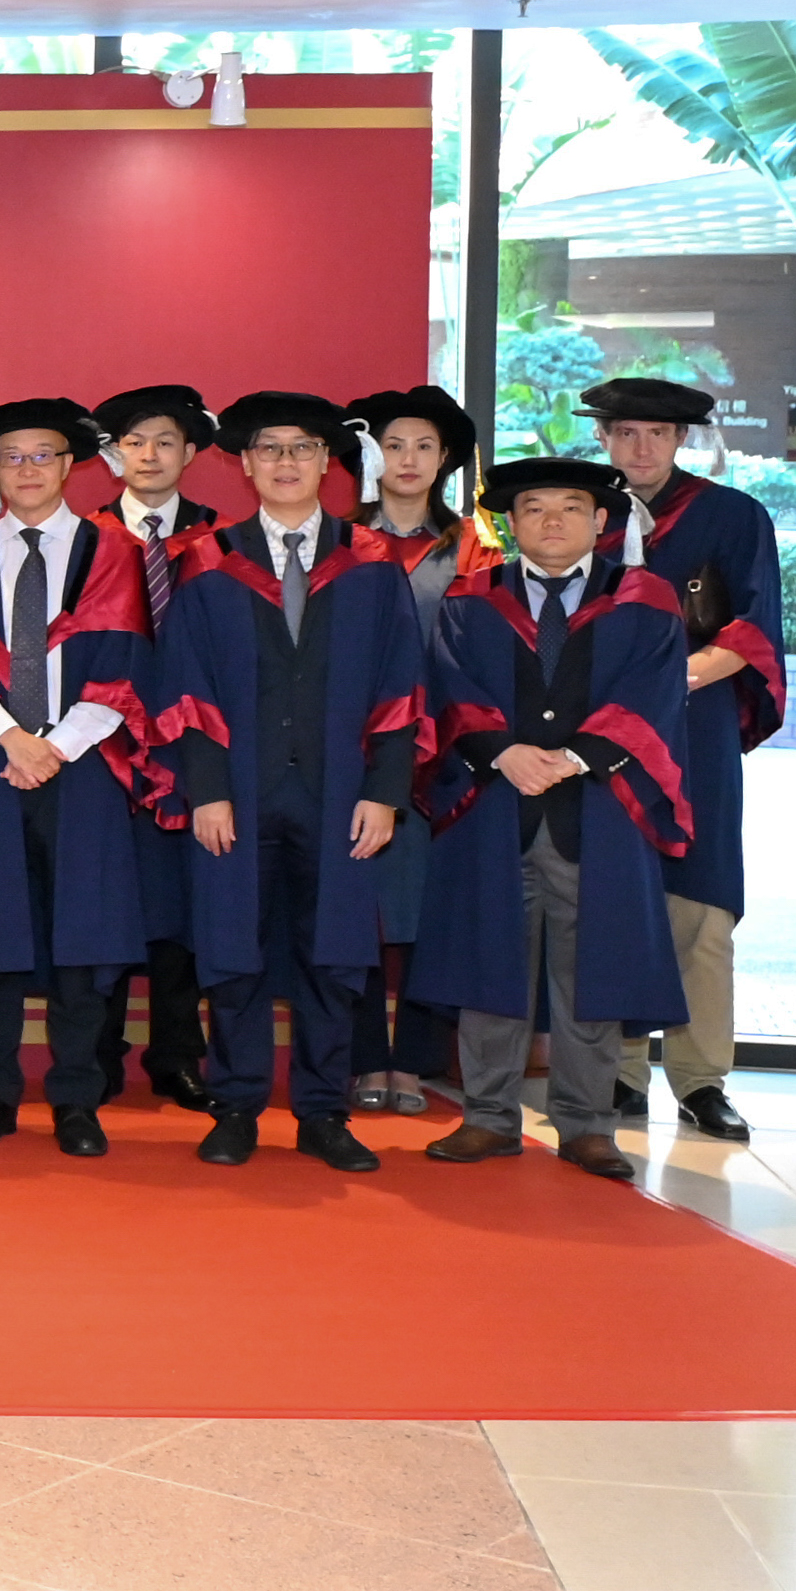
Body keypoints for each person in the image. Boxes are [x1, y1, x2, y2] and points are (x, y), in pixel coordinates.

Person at [153, 390, 422, 1174]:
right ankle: (235, 1102)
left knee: (332, 953)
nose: (283, 463)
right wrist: (204, 788)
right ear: (243, 463)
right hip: (235, 788)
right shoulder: (205, 560)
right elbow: (184, 685)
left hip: (343, 792)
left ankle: (320, 1110)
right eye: (267, 449)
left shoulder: (371, 561)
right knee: (231, 947)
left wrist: (385, 791)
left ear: (324, 464)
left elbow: (400, 685)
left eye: (300, 449)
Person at [414, 456, 693, 1184]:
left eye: (569, 508)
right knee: (489, 962)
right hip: (493, 806)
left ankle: (587, 1124)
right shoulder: (471, 597)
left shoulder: (642, 599)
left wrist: (572, 756)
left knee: (589, 971)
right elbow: (447, 685)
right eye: (533, 508)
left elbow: (652, 693)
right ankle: (486, 1117)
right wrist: (503, 751)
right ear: (509, 522)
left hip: (598, 809)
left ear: (600, 522)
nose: (551, 521)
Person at [0, 398, 161, 1158]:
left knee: (82, 944)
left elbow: (124, 660)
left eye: (42, 455)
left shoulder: (110, 549)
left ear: (69, 464)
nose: (26, 469)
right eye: (10, 457)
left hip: (82, 767)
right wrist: (13, 739)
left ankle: (76, 1100)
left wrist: (56, 746)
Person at [586, 374, 781, 1144]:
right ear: (602, 438)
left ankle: (701, 1079)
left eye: (657, 435)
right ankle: (620, 1072)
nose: (641, 447)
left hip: (693, 730)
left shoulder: (732, 516)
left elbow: (756, 623)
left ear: (679, 440)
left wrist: (673, 679)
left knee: (699, 906)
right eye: (625, 432)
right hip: (599, 733)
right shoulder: (578, 512)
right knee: (612, 899)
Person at [345, 385, 481, 1114]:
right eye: (392, 444)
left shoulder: (475, 545)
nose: (407, 459)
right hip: (354, 750)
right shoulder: (337, 539)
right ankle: (367, 1056)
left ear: (445, 459)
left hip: (451, 754)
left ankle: (421, 1059)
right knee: (357, 906)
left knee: (434, 910)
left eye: (424, 446)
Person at [93, 382, 223, 1112]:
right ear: (111, 456)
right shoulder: (82, 534)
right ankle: (97, 1053)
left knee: (183, 908)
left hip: (189, 743)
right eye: (132, 442)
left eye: (164, 442)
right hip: (103, 743)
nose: (147, 455)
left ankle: (177, 1053)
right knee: (105, 899)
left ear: (191, 454)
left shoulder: (220, 539)